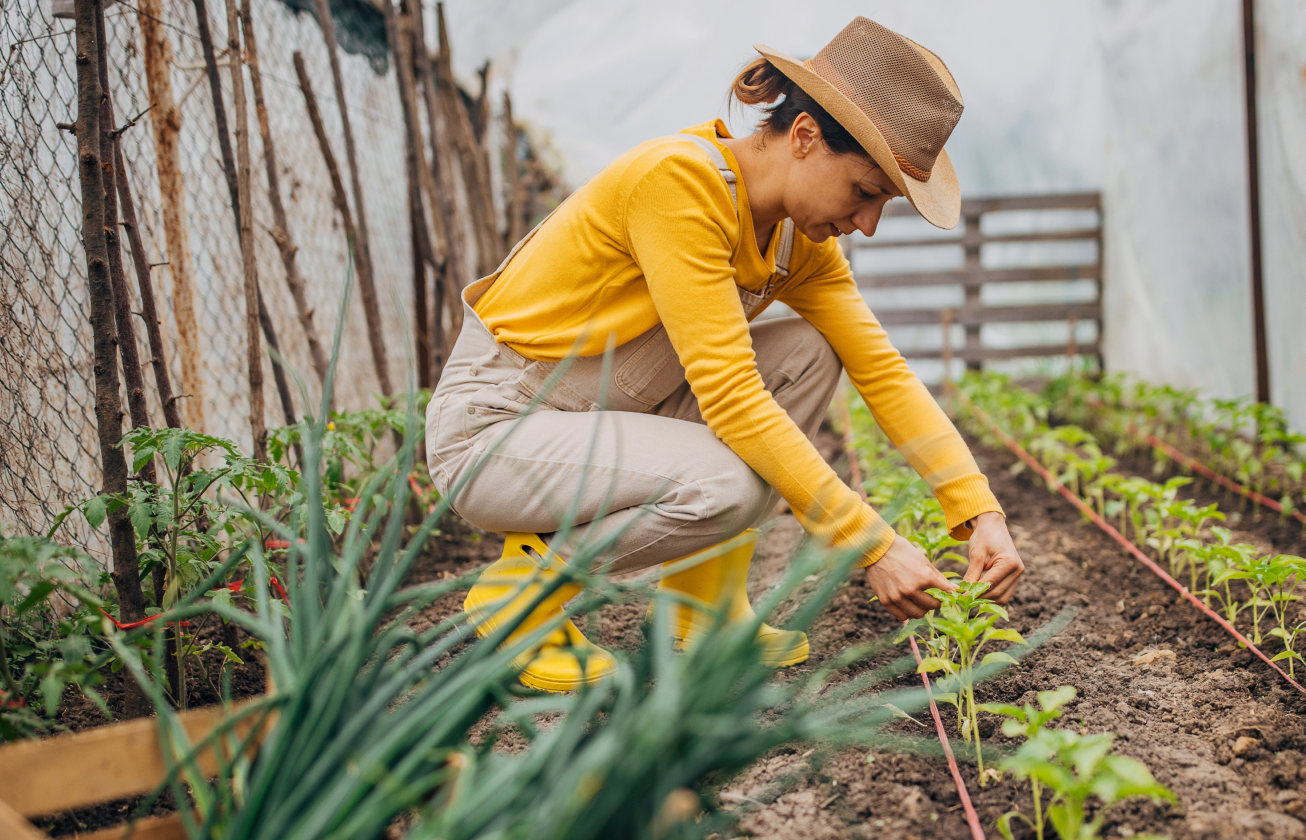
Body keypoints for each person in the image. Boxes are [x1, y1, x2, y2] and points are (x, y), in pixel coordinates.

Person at [425, 16, 1024, 692]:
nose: (869, 224)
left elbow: (880, 370)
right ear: (804, 137)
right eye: (864, 192)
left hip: (592, 410)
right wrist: (874, 547)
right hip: (496, 429)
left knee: (809, 350)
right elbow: (733, 398)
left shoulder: (799, 243)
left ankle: (703, 609)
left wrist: (979, 510)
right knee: (726, 485)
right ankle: (522, 597)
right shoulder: (678, 185)